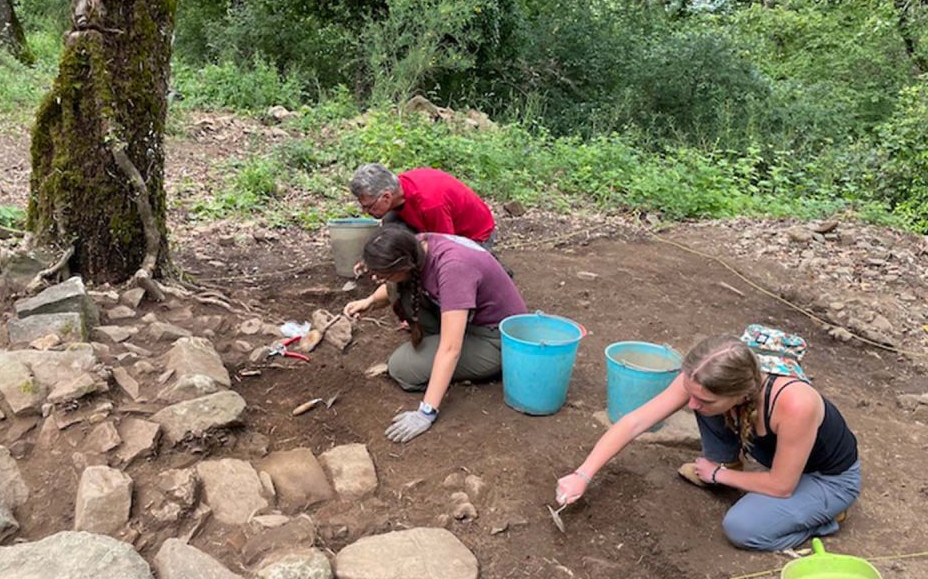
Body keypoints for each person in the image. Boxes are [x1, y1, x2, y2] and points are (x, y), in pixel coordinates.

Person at [554, 335, 860, 552]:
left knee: (743, 528)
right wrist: (582, 474)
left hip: (826, 479)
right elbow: (635, 421)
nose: (691, 405)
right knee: (707, 409)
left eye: (704, 398)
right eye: (691, 392)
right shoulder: (704, 376)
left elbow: (782, 486)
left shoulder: (795, 404)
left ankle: (825, 516)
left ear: (742, 393)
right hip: (780, 460)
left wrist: (716, 474)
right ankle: (731, 465)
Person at [344, 225, 527, 444]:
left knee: (402, 368)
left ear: (403, 264)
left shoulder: (454, 268)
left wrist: (426, 412)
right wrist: (370, 302)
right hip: (471, 320)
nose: (378, 279)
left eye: (382, 275)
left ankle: (467, 366)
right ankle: (436, 350)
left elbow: (451, 348)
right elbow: (396, 284)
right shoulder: (418, 244)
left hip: (498, 341)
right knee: (398, 288)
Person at [349, 163, 496, 246]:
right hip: (436, 224)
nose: (365, 211)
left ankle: (493, 268)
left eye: (369, 206)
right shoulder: (397, 186)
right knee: (391, 222)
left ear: (386, 197)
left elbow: (446, 248)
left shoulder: (430, 205)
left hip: (473, 235)